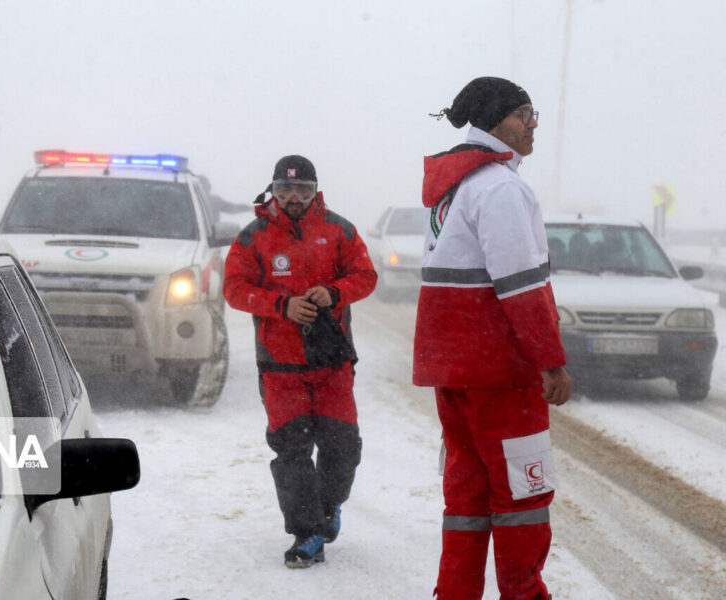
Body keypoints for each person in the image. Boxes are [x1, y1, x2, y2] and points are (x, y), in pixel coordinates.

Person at [413, 77, 573, 600]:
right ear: (494, 120)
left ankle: (455, 593)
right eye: (524, 113)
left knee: (468, 494)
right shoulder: (501, 187)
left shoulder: (453, 185)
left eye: (534, 113)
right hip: (499, 371)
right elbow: (521, 285)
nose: (532, 125)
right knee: (524, 492)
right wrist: (550, 361)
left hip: (454, 369)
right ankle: (524, 595)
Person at [223, 155, 377, 568]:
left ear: (315, 192)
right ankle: (307, 534)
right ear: (273, 189)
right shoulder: (252, 237)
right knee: (291, 452)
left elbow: (366, 276)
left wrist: (335, 292)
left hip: (333, 364)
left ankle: (329, 507)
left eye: (303, 190)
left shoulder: (339, 229)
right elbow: (235, 289)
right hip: (279, 366)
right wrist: (280, 305)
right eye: (285, 189)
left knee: (341, 447)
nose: (294, 198)